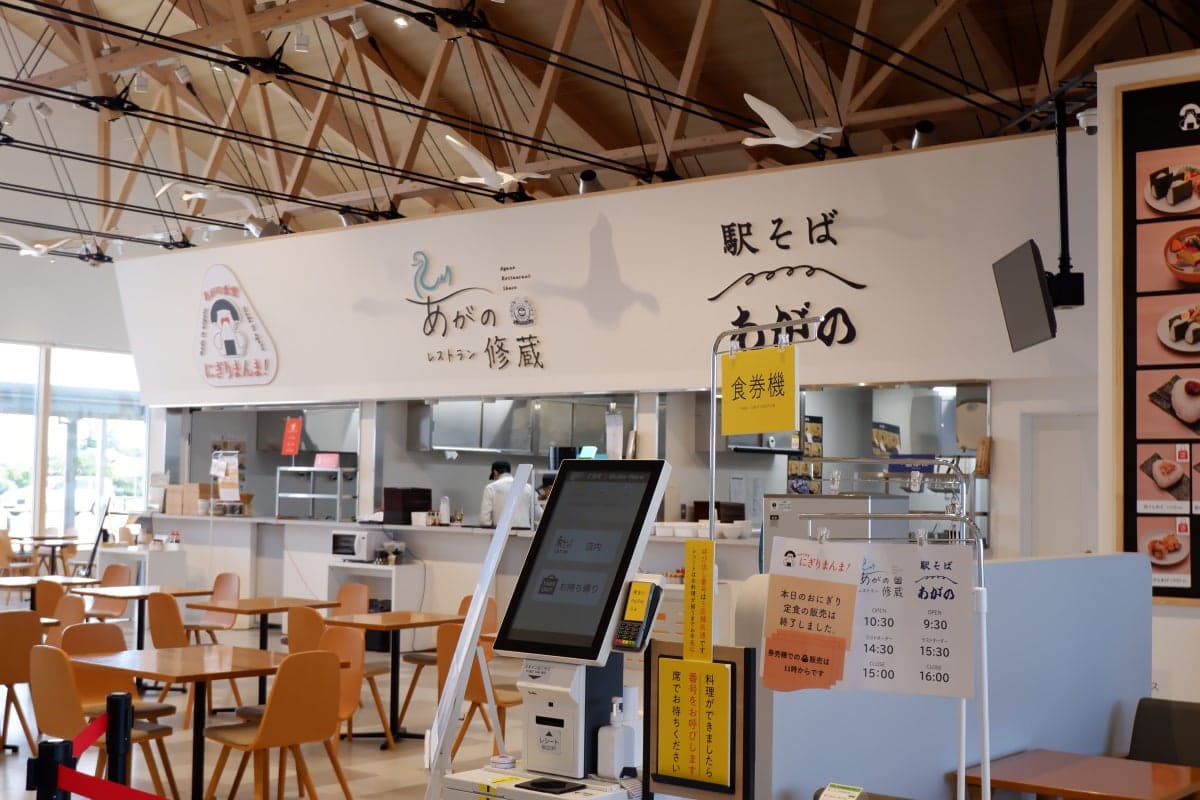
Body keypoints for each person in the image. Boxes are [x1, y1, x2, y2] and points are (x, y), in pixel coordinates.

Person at [480, 461, 538, 528]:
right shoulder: (528, 488)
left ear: (495, 472)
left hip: (501, 532)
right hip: (525, 532)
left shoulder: (490, 488)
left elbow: (484, 520)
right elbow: (537, 514)